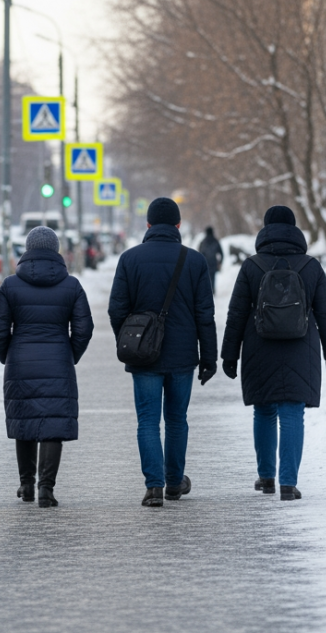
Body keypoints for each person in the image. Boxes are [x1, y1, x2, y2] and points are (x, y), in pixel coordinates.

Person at [220, 206, 326, 501]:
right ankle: (288, 483)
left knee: (263, 409)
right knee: (292, 413)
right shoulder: (310, 266)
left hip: (259, 347)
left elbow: (236, 313)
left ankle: (266, 477)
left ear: (264, 230)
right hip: (302, 348)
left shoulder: (251, 266)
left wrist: (229, 355)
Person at [109, 197, 218, 507]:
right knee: (176, 420)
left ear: (147, 225)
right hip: (183, 356)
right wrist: (209, 357)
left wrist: (130, 341)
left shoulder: (129, 259)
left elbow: (117, 308)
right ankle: (174, 483)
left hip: (144, 358)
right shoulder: (194, 261)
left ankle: (153, 486)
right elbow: (204, 315)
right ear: (178, 225)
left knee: (147, 421)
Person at [0, 226, 94, 508]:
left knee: (24, 420)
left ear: (27, 250)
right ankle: (45, 488)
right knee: (52, 424)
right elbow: (84, 328)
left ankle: (26, 484)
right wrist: (70, 354)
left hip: (20, 360)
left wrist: (8, 355)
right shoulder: (71, 285)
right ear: (56, 251)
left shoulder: (10, 285)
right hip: (58, 359)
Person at [198, 226, 225, 294]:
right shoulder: (216, 241)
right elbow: (221, 253)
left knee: (205, 277)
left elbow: (199, 254)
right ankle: (212, 290)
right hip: (213, 263)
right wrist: (220, 262)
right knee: (213, 277)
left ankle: (206, 290)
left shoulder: (203, 242)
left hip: (205, 263)